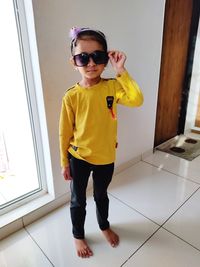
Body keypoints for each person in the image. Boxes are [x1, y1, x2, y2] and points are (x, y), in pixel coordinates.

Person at [59, 27, 143, 258]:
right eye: (82, 57)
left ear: (106, 59)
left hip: (105, 156)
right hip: (79, 157)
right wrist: (64, 162)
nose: (91, 63)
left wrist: (121, 70)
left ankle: (103, 225)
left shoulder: (113, 86)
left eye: (98, 56)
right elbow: (64, 132)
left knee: (101, 195)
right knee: (78, 200)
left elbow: (136, 100)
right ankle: (78, 235)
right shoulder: (71, 96)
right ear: (74, 62)